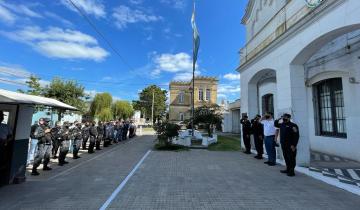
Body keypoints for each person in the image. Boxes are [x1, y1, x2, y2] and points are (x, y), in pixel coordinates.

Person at [0, 111, 12, 183]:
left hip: (2, 145)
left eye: (2, 116)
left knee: (2, 161)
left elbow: (10, 136)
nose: (2, 117)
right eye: (1, 116)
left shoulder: (5, 126)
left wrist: (6, 140)